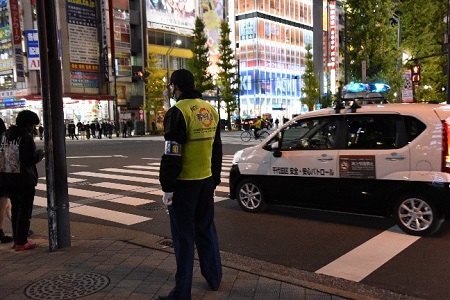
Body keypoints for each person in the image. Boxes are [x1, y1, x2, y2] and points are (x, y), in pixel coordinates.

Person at [158, 69, 222, 300]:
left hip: (184, 185)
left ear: (176, 86)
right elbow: (217, 149)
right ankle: (214, 278)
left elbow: (172, 154)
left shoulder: (177, 112)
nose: (170, 90)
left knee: (184, 239)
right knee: (206, 230)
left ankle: (182, 292)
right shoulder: (211, 110)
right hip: (205, 182)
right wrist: (214, 179)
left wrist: (167, 187)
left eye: (171, 86)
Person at [0, 110, 44, 251]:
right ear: (28, 124)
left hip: (8, 177)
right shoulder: (25, 137)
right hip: (24, 179)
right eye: (32, 125)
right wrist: (39, 154)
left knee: (16, 209)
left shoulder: (5, 135)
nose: (33, 128)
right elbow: (27, 159)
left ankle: (17, 240)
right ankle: (22, 241)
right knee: (25, 211)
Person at [0, 117, 12, 243]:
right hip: (2, 174)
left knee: (7, 203)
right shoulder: (3, 139)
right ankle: (0, 231)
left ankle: (17, 226)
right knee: (4, 200)